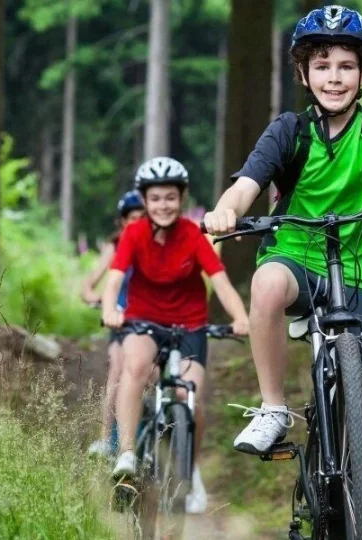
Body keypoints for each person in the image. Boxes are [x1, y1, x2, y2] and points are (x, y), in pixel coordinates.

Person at [202, 6, 362, 539]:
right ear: (303, 74)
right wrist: (227, 209)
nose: (334, 77)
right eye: (322, 66)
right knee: (266, 282)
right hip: (297, 258)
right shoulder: (289, 131)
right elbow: (247, 184)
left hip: (356, 272)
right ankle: (273, 408)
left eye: (346, 65)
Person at [102, 157, 250, 514]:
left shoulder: (193, 234)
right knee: (135, 368)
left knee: (190, 396)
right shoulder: (134, 234)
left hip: (190, 325)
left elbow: (221, 283)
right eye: (155, 199)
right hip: (143, 319)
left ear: (182, 198)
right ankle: (125, 455)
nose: (163, 205)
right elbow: (115, 277)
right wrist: (110, 310)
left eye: (170, 197)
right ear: (144, 201)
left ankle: (191, 467)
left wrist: (241, 317)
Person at [83, 190, 145, 457]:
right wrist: (96, 299)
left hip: (152, 317)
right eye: (133, 218)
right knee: (118, 372)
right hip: (122, 318)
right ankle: (107, 439)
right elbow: (89, 284)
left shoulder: (157, 242)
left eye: (143, 217)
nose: (138, 222)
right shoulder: (115, 245)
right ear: (121, 221)